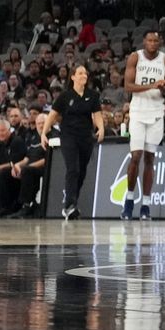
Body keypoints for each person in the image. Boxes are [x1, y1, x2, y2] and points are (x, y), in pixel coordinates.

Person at [118, 31, 165, 221]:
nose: (152, 43)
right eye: (149, 40)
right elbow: (128, 86)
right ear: (144, 41)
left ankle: (146, 205)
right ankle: (129, 200)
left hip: (157, 113)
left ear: (160, 42)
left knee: (150, 158)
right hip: (138, 112)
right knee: (136, 156)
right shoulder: (135, 57)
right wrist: (151, 86)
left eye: (156, 40)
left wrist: (164, 88)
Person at [51, 65, 103, 221]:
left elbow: (97, 114)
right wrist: (43, 134)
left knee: (81, 171)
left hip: (85, 136)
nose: (84, 76)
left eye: (85, 73)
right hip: (68, 135)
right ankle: (69, 205)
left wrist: (101, 128)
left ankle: (72, 201)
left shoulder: (92, 95)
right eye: (80, 73)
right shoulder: (65, 96)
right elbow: (52, 116)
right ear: (73, 77)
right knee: (72, 168)